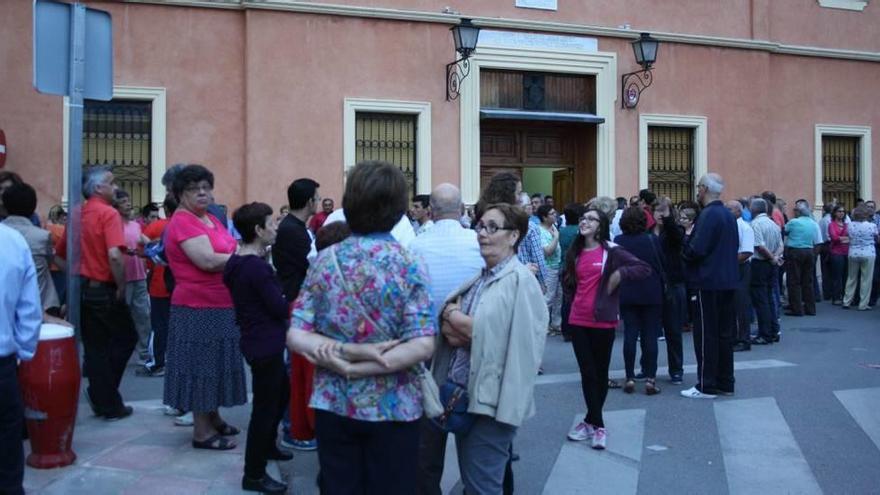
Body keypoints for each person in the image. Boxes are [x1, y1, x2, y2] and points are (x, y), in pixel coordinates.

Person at [287, 160, 437, 495]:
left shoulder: (326, 259)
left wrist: (342, 357)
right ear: (399, 209)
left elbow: (296, 333)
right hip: (396, 406)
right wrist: (369, 360)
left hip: (335, 402)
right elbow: (423, 343)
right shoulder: (410, 263)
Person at [432, 203, 547, 494]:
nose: (482, 233)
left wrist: (454, 317)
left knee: (483, 485)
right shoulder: (479, 277)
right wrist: (456, 322)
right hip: (464, 394)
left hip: (493, 404)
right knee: (475, 482)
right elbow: (451, 335)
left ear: (513, 236)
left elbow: (519, 346)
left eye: (493, 227)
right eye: (480, 226)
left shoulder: (521, 281)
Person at [163, 164, 246, 450]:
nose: (202, 193)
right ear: (179, 194)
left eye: (206, 187)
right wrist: (245, 257)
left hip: (220, 304)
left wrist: (238, 253)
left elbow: (230, 246)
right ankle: (202, 433)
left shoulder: (210, 218)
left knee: (216, 364)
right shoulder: (183, 221)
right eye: (193, 189)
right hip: (198, 306)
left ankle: (214, 417)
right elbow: (207, 260)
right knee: (203, 367)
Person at [409, 183, 485, 495]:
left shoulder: (416, 244)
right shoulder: (478, 242)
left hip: (428, 345)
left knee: (429, 431)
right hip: (471, 342)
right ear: (461, 210)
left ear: (431, 211)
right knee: (476, 425)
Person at [563, 208, 651, 448]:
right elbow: (568, 280)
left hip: (603, 320)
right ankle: (596, 423)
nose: (584, 221)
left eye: (591, 218)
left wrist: (619, 275)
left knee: (600, 372)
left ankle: (593, 422)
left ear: (600, 225)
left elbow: (643, 268)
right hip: (578, 318)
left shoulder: (611, 250)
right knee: (587, 372)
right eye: (583, 217)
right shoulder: (576, 251)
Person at [57, 167, 138, 419]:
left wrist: (77, 276)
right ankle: (107, 398)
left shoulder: (78, 214)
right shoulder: (108, 213)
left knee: (95, 347)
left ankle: (103, 396)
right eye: (111, 183)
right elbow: (115, 255)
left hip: (83, 289)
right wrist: (121, 286)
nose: (115, 188)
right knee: (124, 338)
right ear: (98, 188)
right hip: (103, 289)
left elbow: (59, 256)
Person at [224, 202, 292, 494]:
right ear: (258, 230)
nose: (276, 228)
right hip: (265, 343)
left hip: (256, 340)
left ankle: (268, 447)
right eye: (271, 223)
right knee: (264, 410)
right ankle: (253, 473)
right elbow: (278, 307)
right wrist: (283, 293)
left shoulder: (238, 261)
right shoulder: (256, 268)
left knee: (281, 393)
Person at [680, 173, 738, 399]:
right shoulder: (728, 215)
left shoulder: (708, 215)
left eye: (698, 187)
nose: (697, 191)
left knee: (705, 334)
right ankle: (725, 382)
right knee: (724, 334)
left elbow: (696, 250)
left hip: (707, 282)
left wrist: (685, 240)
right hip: (728, 281)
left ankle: (706, 384)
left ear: (703, 189)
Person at [274, 177, 320, 451]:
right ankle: (293, 428)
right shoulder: (294, 231)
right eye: (317, 197)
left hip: (293, 301)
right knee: (294, 371)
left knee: (295, 369)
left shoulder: (295, 228)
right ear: (308, 201)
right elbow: (312, 265)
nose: (319, 201)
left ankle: (295, 426)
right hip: (294, 302)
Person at [0, 222, 43, 495]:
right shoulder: (11, 240)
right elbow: (29, 308)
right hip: (3, 361)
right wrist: (23, 351)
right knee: (6, 434)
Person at [615, 206, 664, 395]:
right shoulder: (652, 240)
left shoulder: (619, 241)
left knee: (630, 334)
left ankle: (629, 377)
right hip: (651, 291)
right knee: (650, 335)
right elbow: (662, 263)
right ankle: (651, 379)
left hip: (628, 290)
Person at [476, 172, 548, 291]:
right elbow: (538, 259)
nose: (520, 199)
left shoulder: (482, 218)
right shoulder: (526, 225)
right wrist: (540, 281)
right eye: (518, 193)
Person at [2, 183, 60, 313]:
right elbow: (49, 263)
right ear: (33, 207)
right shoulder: (42, 237)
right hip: (41, 303)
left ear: (4, 207)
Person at [137, 195, 177, 377]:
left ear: (166, 210)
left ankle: (156, 363)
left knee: (159, 324)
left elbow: (140, 241)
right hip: (181, 285)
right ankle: (171, 360)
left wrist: (153, 249)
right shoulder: (190, 225)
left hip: (160, 283)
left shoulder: (160, 225)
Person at [114, 190, 152, 361]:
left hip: (139, 276)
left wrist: (155, 244)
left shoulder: (136, 225)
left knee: (143, 315)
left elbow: (146, 241)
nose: (128, 204)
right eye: (123, 201)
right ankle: (119, 352)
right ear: (115, 206)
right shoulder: (113, 225)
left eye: (128, 200)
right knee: (122, 317)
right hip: (123, 277)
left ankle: (144, 351)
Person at [651, 197, 685, 384]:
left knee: (673, 331)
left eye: (664, 211)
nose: (660, 214)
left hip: (673, 285)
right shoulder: (648, 233)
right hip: (652, 286)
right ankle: (648, 369)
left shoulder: (675, 231)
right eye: (657, 210)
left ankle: (676, 370)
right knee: (649, 331)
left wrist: (668, 219)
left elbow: (676, 237)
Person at [748, 198, 784, 345]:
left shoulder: (755, 224)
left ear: (753, 209)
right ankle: (774, 330)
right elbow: (781, 244)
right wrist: (775, 257)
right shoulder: (773, 224)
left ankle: (765, 333)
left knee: (760, 299)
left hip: (760, 264)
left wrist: (771, 258)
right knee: (769, 297)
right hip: (771, 264)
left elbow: (759, 246)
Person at [726, 200, 755, 352]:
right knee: (731, 304)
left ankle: (744, 339)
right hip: (730, 268)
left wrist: (728, 262)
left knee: (741, 303)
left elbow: (747, 252)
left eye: (730, 209)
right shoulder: (729, 226)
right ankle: (733, 336)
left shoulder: (745, 227)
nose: (727, 212)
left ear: (738, 211)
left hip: (741, 268)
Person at [783, 203, 819, 316]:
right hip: (809, 251)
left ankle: (797, 309)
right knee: (808, 281)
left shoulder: (794, 222)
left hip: (795, 251)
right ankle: (810, 308)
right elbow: (818, 240)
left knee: (794, 281)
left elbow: (785, 231)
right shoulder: (814, 224)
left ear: (798, 212)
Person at [842, 205, 878, 310]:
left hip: (853, 252)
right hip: (868, 253)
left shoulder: (850, 225)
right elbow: (876, 237)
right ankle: (863, 304)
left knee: (851, 277)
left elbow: (848, 236)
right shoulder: (872, 226)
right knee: (866, 279)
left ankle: (846, 301)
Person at [536, 204, 563, 334]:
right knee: (548, 297)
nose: (555, 215)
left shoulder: (553, 227)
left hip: (557, 266)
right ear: (544, 217)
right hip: (548, 267)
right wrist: (556, 237)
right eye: (552, 214)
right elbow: (547, 251)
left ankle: (556, 324)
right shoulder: (539, 231)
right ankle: (543, 325)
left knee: (559, 296)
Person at [828, 204, 850, 305]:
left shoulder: (846, 225)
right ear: (835, 213)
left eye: (843, 211)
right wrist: (845, 239)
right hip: (836, 253)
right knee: (837, 276)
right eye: (839, 211)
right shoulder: (832, 224)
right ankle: (836, 297)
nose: (841, 213)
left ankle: (845, 296)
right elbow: (834, 238)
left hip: (847, 252)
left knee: (846, 276)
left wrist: (844, 239)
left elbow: (851, 238)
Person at [46, 204, 68, 305]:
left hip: (48, 266)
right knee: (60, 295)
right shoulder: (62, 230)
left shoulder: (45, 228)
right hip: (60, 266)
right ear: (60, 216)